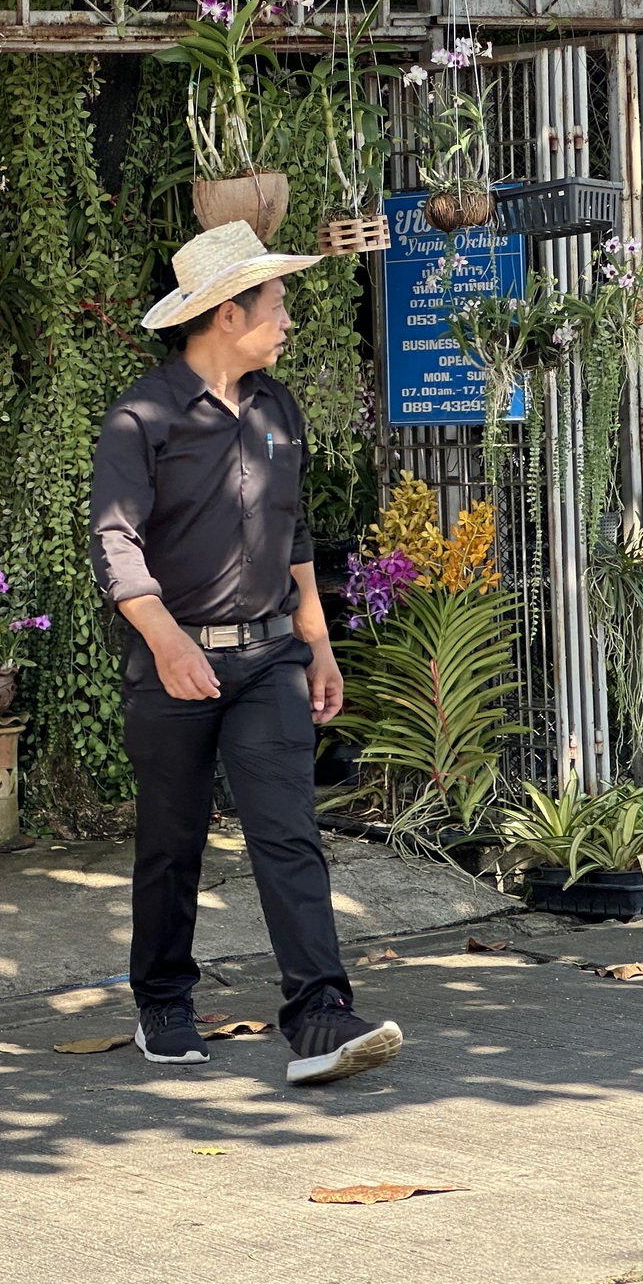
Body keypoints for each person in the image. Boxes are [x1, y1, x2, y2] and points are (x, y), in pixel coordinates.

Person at [89, 220, 403, 1087]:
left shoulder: (276, 408)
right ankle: (162, 1001)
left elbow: (292, 533)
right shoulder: (141, 417)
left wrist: (318, 645)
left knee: (288, 832)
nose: (288, 318)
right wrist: (165, 641)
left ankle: (320, 1014)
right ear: (228, 313)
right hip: (173, 664)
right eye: (277, 303)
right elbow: (115, 542)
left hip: (269, 659)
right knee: (172, 840)